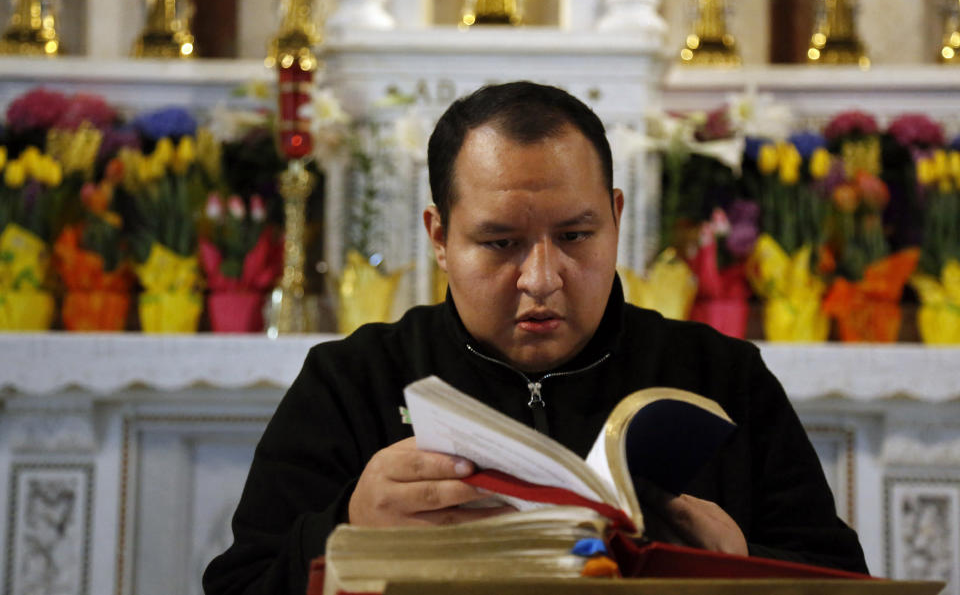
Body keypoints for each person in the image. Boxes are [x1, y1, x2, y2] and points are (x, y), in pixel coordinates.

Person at [203, 81, 868, 595]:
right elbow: (241, 584)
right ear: (439, 236)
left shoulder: (722, 374)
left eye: (576, 236)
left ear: (615, 217)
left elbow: (839, 574)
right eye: (500, 242)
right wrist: (343, 527)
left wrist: (743, 564)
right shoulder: (351, 380)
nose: (542, 279)